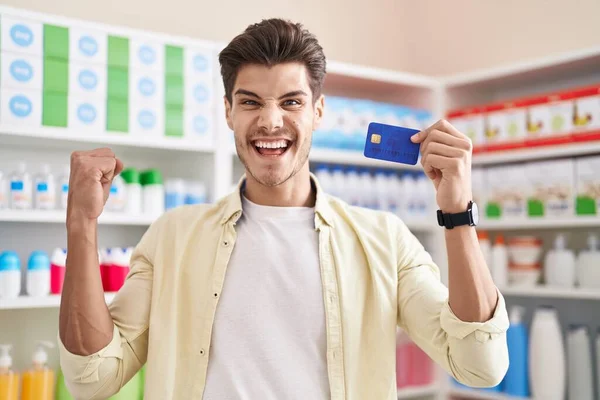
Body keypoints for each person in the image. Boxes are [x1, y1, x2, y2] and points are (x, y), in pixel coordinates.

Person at [58, 18, 509, 400]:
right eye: (250, 102)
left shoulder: (383, 241)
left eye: (291, 102)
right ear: (228, 112)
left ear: (318, 111)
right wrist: (81, 223)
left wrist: (457, 215)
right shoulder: (173, 235)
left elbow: (480, 365)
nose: (270, 121)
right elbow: (92, 376)